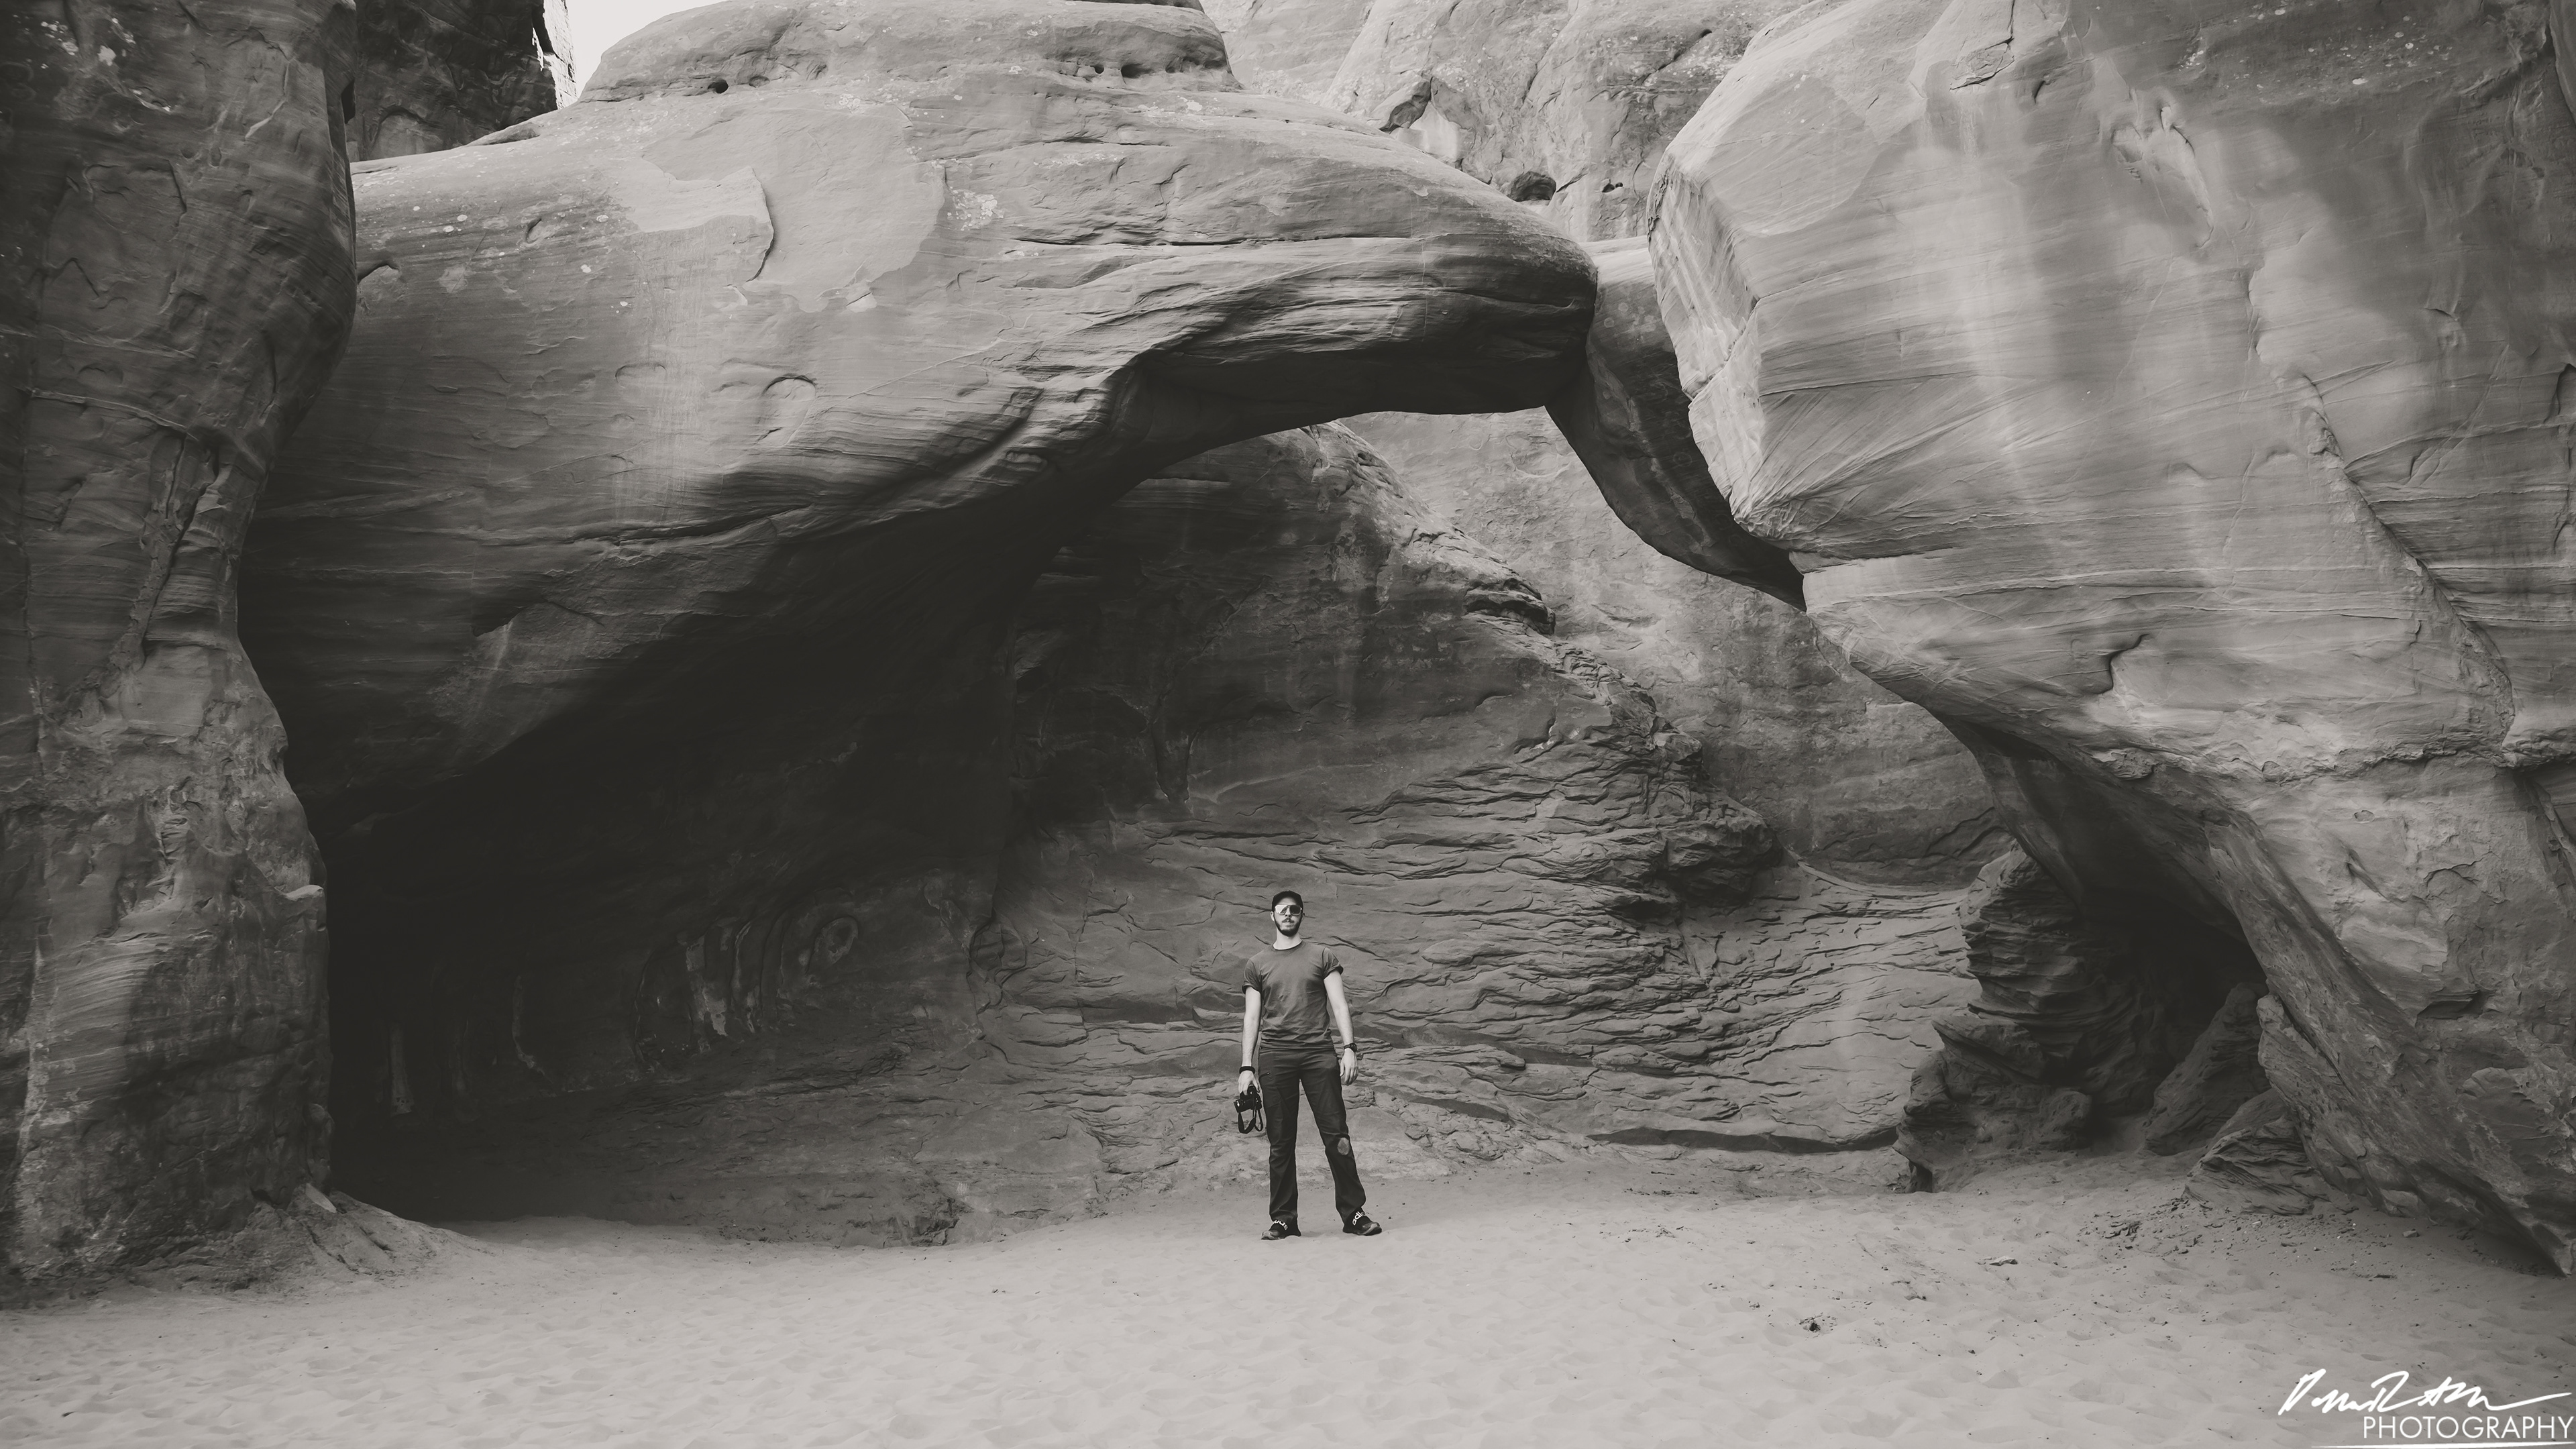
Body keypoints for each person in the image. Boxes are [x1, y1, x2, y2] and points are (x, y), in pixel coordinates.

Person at [1234, 890, 1380, 1240]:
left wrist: (1350, 1048)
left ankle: (1354, 1214)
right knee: (1280, 1143)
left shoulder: (1322, 955)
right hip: (1275, 1057)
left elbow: (1339, 1004)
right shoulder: (1257, 963)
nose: (1288, 915)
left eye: (1294, 910)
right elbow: (1251, 1018)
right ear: (1272, 916)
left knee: (1337, 1136)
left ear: (1302, 915)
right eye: (1282, 910)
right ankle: (1285, 1219)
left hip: (1318, 1054)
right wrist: (1246, 1068)